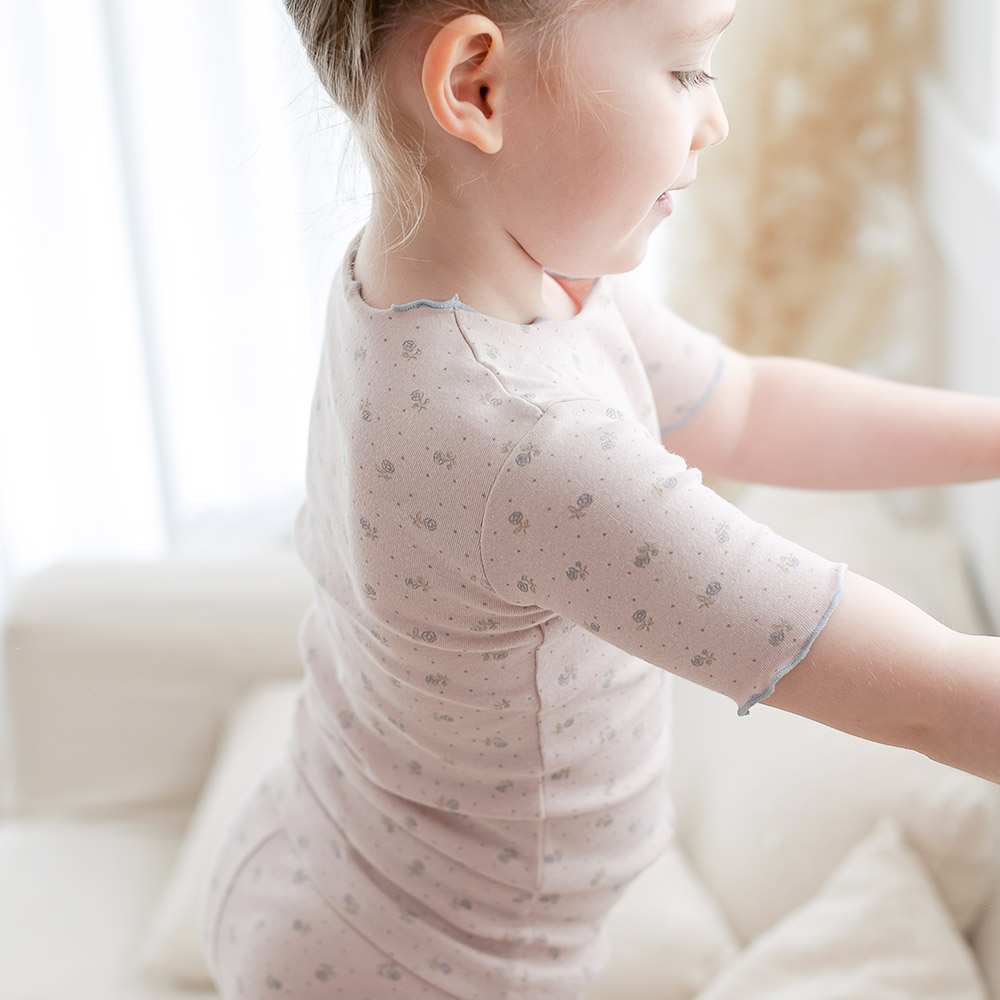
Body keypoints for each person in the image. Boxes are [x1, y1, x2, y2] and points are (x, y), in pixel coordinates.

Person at [201, 1, 1000, 997]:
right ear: (476, 87)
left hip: (325, 860)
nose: (717, 121)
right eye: (685, 70)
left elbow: (744, 406)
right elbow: (933, 698)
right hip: (416, 968)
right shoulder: (521, 442)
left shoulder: (472, 280)